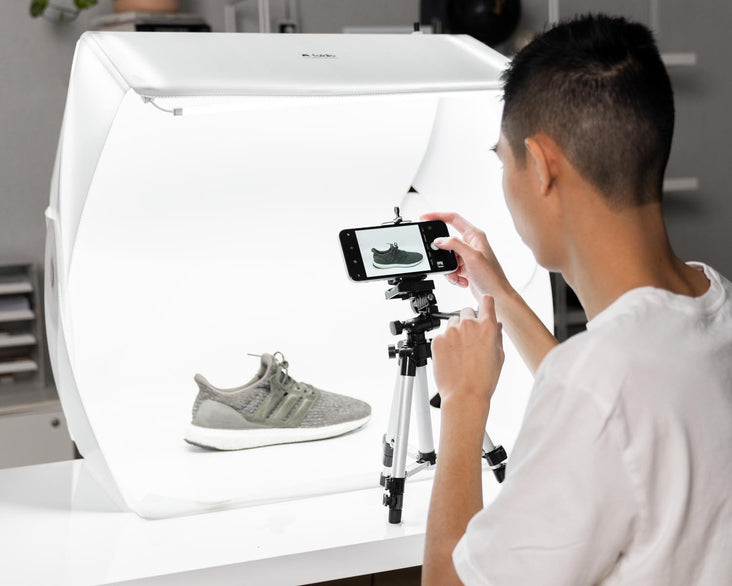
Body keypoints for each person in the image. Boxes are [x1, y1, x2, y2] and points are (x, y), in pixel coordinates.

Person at [421, 14, 732, 586]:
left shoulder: (596, 383)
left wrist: (463, 400)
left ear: (541, 167)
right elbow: (623, 406)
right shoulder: (714, 301)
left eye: (504, 161)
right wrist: (502, 295)